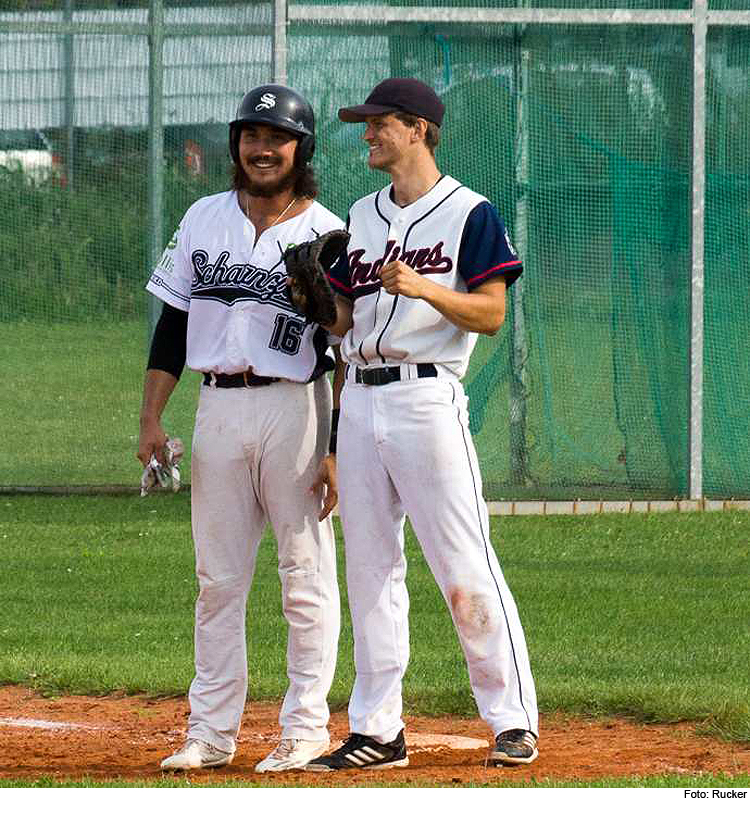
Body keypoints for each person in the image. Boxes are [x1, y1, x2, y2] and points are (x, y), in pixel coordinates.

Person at [305, 78, 539, 772]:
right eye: (365, 125)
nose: (366, 134)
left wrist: (428, 287)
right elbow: (344, 326)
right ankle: (378, 730)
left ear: (417, 129)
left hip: (428, 399)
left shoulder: (471, 212)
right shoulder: (361, 214)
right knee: (371, 571)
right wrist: (316, 300)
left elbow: (491, 314)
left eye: (378, 124)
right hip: (364, 400)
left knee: (465, 567)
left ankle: (512, 720)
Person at [138, 84, 342, 773]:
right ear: (236, 145)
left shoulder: (330, 232)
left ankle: (306, 727)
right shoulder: (203, 217)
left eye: (277, 137)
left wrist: (336, 448)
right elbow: (172, 324)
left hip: (296, 408)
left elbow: (347, 348)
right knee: (217, 580)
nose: (262, 148)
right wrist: (151, 416)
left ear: (300, 149)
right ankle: (210, 731)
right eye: (252, 135)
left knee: (304, 574)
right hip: (218, 407)